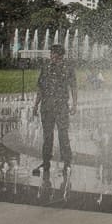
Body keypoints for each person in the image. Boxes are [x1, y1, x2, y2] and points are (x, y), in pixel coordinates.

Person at [33, 44, 77, 175]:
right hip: (46, 107)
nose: (51, 55)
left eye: (53, 53)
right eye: (51, 53)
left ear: (60, 55)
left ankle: (67, 162)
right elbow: (40, 88)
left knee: (63, 135)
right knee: (47, 136)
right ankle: (46, 162)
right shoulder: (45, 67)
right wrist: (35, 105)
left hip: (61, 107)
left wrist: (75, 104)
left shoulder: (68, 68)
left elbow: (74, 87)